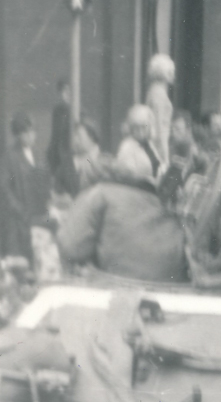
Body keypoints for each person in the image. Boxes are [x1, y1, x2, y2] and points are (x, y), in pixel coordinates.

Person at [57, 171, 189, 283]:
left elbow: (70, 247)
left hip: (116, 288)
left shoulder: (99, 192)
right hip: (172, 289)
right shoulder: (159, 202)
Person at [0, 113, 52, 260]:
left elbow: (46, 179)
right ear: (17, 135)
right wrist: (20, 210)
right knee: (19, 259)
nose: (30, 136)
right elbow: (5, 189)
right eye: (25, 132)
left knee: (40, 255)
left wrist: (48, 200)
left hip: (38, 215)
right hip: (17, 219)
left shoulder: (38, 153)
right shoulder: (9, 156)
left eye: (32, 131)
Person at [116, 104, 164, 184]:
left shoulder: (149, 145)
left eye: (144, 127)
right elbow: (127, 175)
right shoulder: (127, 146)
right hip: (137, 189)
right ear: (131, 128)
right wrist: (148, 179)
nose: (140, 131)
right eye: (137, 127)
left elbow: (158, 166)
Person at [70, 119, 119, 193]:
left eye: (79, 136)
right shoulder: (76, 159)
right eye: (75, 136)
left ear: (91, 137)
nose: (75, 140)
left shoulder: (105, 160)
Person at [145, 53, 175, 165]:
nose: (173, 74)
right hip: (157, 145)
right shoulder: (159, 94)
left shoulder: (153, 90)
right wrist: (164, 157)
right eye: (170, 71)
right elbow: (159, 127)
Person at [47, 79, 75, 195]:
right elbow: (55, 134)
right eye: (63, 91)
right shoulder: (57, 110)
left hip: (69, 154)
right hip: (58, 154)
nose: (65, 94)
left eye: (68, 90)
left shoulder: (76, 110)